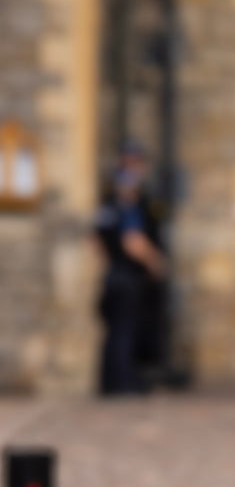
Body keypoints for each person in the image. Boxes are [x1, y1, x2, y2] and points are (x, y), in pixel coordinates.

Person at [93, 142, 168, 395]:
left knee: (115, 330)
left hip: (114, 274)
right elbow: (133, 241)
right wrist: (155, 261)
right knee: (125, 330)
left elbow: (96, 240)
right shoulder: (127, 205)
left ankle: (110, 383)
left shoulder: (107, 205)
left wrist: (110, 264)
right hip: (127, 276)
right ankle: (124, 383)